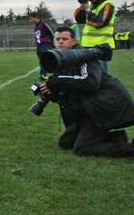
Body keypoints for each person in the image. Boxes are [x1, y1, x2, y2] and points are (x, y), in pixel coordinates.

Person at [38, 26, 134, 158]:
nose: (60, 42)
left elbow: (90, 83)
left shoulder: (86, 58)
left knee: (82, 148)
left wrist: (58, 82)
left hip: (106, 108)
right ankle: (117, 137)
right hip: (92, 108)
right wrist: (52, 93)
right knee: (66, 142)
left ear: (74, 41)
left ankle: (129, 150)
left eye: (65, 39)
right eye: (58, 39)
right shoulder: (61, 61)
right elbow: (70, 89)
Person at [74, 0, 115, 72]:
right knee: (88, 74)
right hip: (87, 45)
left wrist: (88, 11)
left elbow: (100, 22)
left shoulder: (107, 5)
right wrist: (82, 9)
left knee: (100, 75)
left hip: (101, 46)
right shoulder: (91, 7)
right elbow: (80, 20)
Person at [29, 12, 55, 79]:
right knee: (41, 60)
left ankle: (55, 73)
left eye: (31, 18)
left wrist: (54, 42)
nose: (30, 20)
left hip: (46, 44)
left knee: (48, 58)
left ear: (36, 17)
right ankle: (43, 75)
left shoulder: (43, 23)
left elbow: (51, 32)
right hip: (40, 45)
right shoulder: (35, 26)